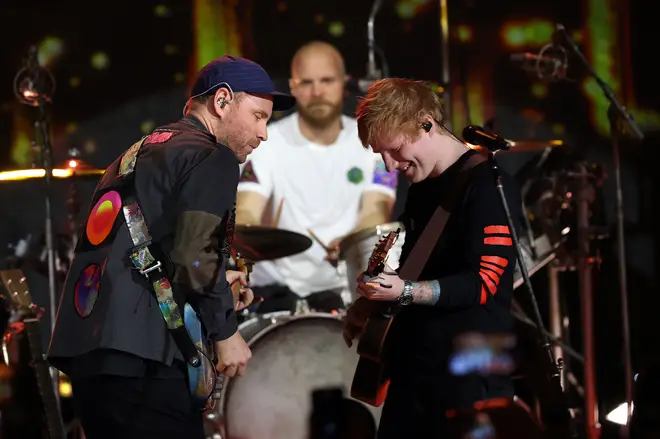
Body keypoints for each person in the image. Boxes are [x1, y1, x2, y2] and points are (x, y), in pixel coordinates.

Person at [47, 55, 296, 439]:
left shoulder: (134, 154)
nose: (263, 134)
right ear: (223, 100)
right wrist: (226, 333)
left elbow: (151, 248)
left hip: (91, 361)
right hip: (146, 363)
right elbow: (197, 257)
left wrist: (216, 281)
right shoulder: (213, 156)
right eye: (259, 116)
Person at [345, 78, 521, 438]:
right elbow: (416, 267)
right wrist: (374, 305)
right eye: (381, 155)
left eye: (394, 150)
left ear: (425, 123)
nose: (390, 166)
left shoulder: (488, 185)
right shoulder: (423, 189)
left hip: (472, 371)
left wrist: (405, 291)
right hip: (417, 369)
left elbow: (485, 284)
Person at [235, 41, 398, 313]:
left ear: (344, 83)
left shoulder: (374, 144)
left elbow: (377, 208)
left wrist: (350, 241)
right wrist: (248, 234)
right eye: (307, 82)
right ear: (292, 86)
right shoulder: (266, 143)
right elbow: (247, 211)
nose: (318, 91)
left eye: (326, 80)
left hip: (345, 293)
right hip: (276, 298)